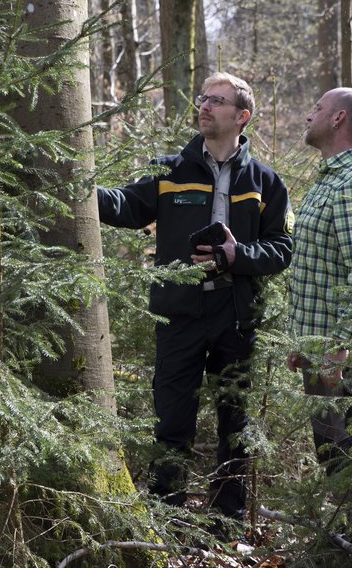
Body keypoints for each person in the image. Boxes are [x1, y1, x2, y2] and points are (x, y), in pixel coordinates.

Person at [98, 72, 293, 526]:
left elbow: (281, 249)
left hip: (236, 315)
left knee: (235, 426)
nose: (204, 106)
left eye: (217, 101)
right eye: (203, 98)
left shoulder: (266, 182)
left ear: (241, 117)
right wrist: (78, 187)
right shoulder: (170, 170)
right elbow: (125, 206)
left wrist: (236, 255)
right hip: (179, 314)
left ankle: (225, 524)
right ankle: (166, 518)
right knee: (172, 422)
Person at [286, 87, 352, 551]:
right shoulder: (328, 178)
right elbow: (317, 266)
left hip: (344, 359)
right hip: (322, 353)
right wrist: (303, 344)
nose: (308, 114)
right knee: (336, 459)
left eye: (317, 109)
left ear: (338, 119)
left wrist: (339, 351)